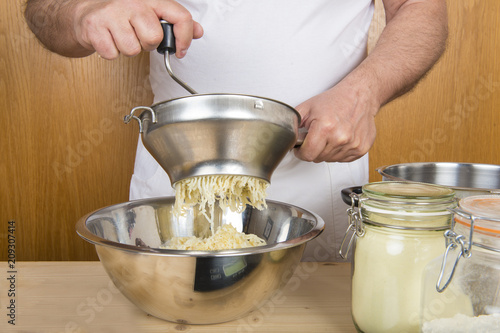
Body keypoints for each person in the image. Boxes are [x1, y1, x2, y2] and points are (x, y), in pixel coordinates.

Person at [24, 0, 448, 261]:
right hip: (174, 191)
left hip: (316, 184)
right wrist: (83, 12)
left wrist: (364, 93)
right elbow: (46, 8)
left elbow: (420, 7)